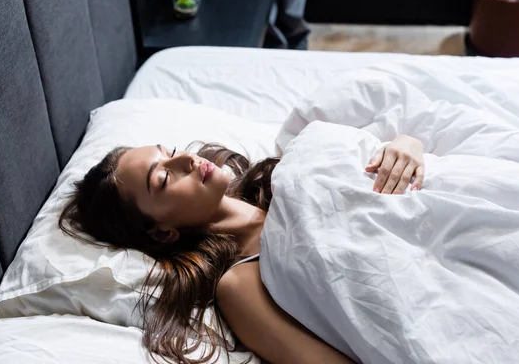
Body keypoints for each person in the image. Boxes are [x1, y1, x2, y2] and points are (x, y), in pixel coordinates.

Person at [59, 135, 425, 364]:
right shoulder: (239, 285)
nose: (184, 159)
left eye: (169, 151)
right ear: (162, 234)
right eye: (165, 177)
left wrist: (406, 146)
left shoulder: (284, 176)